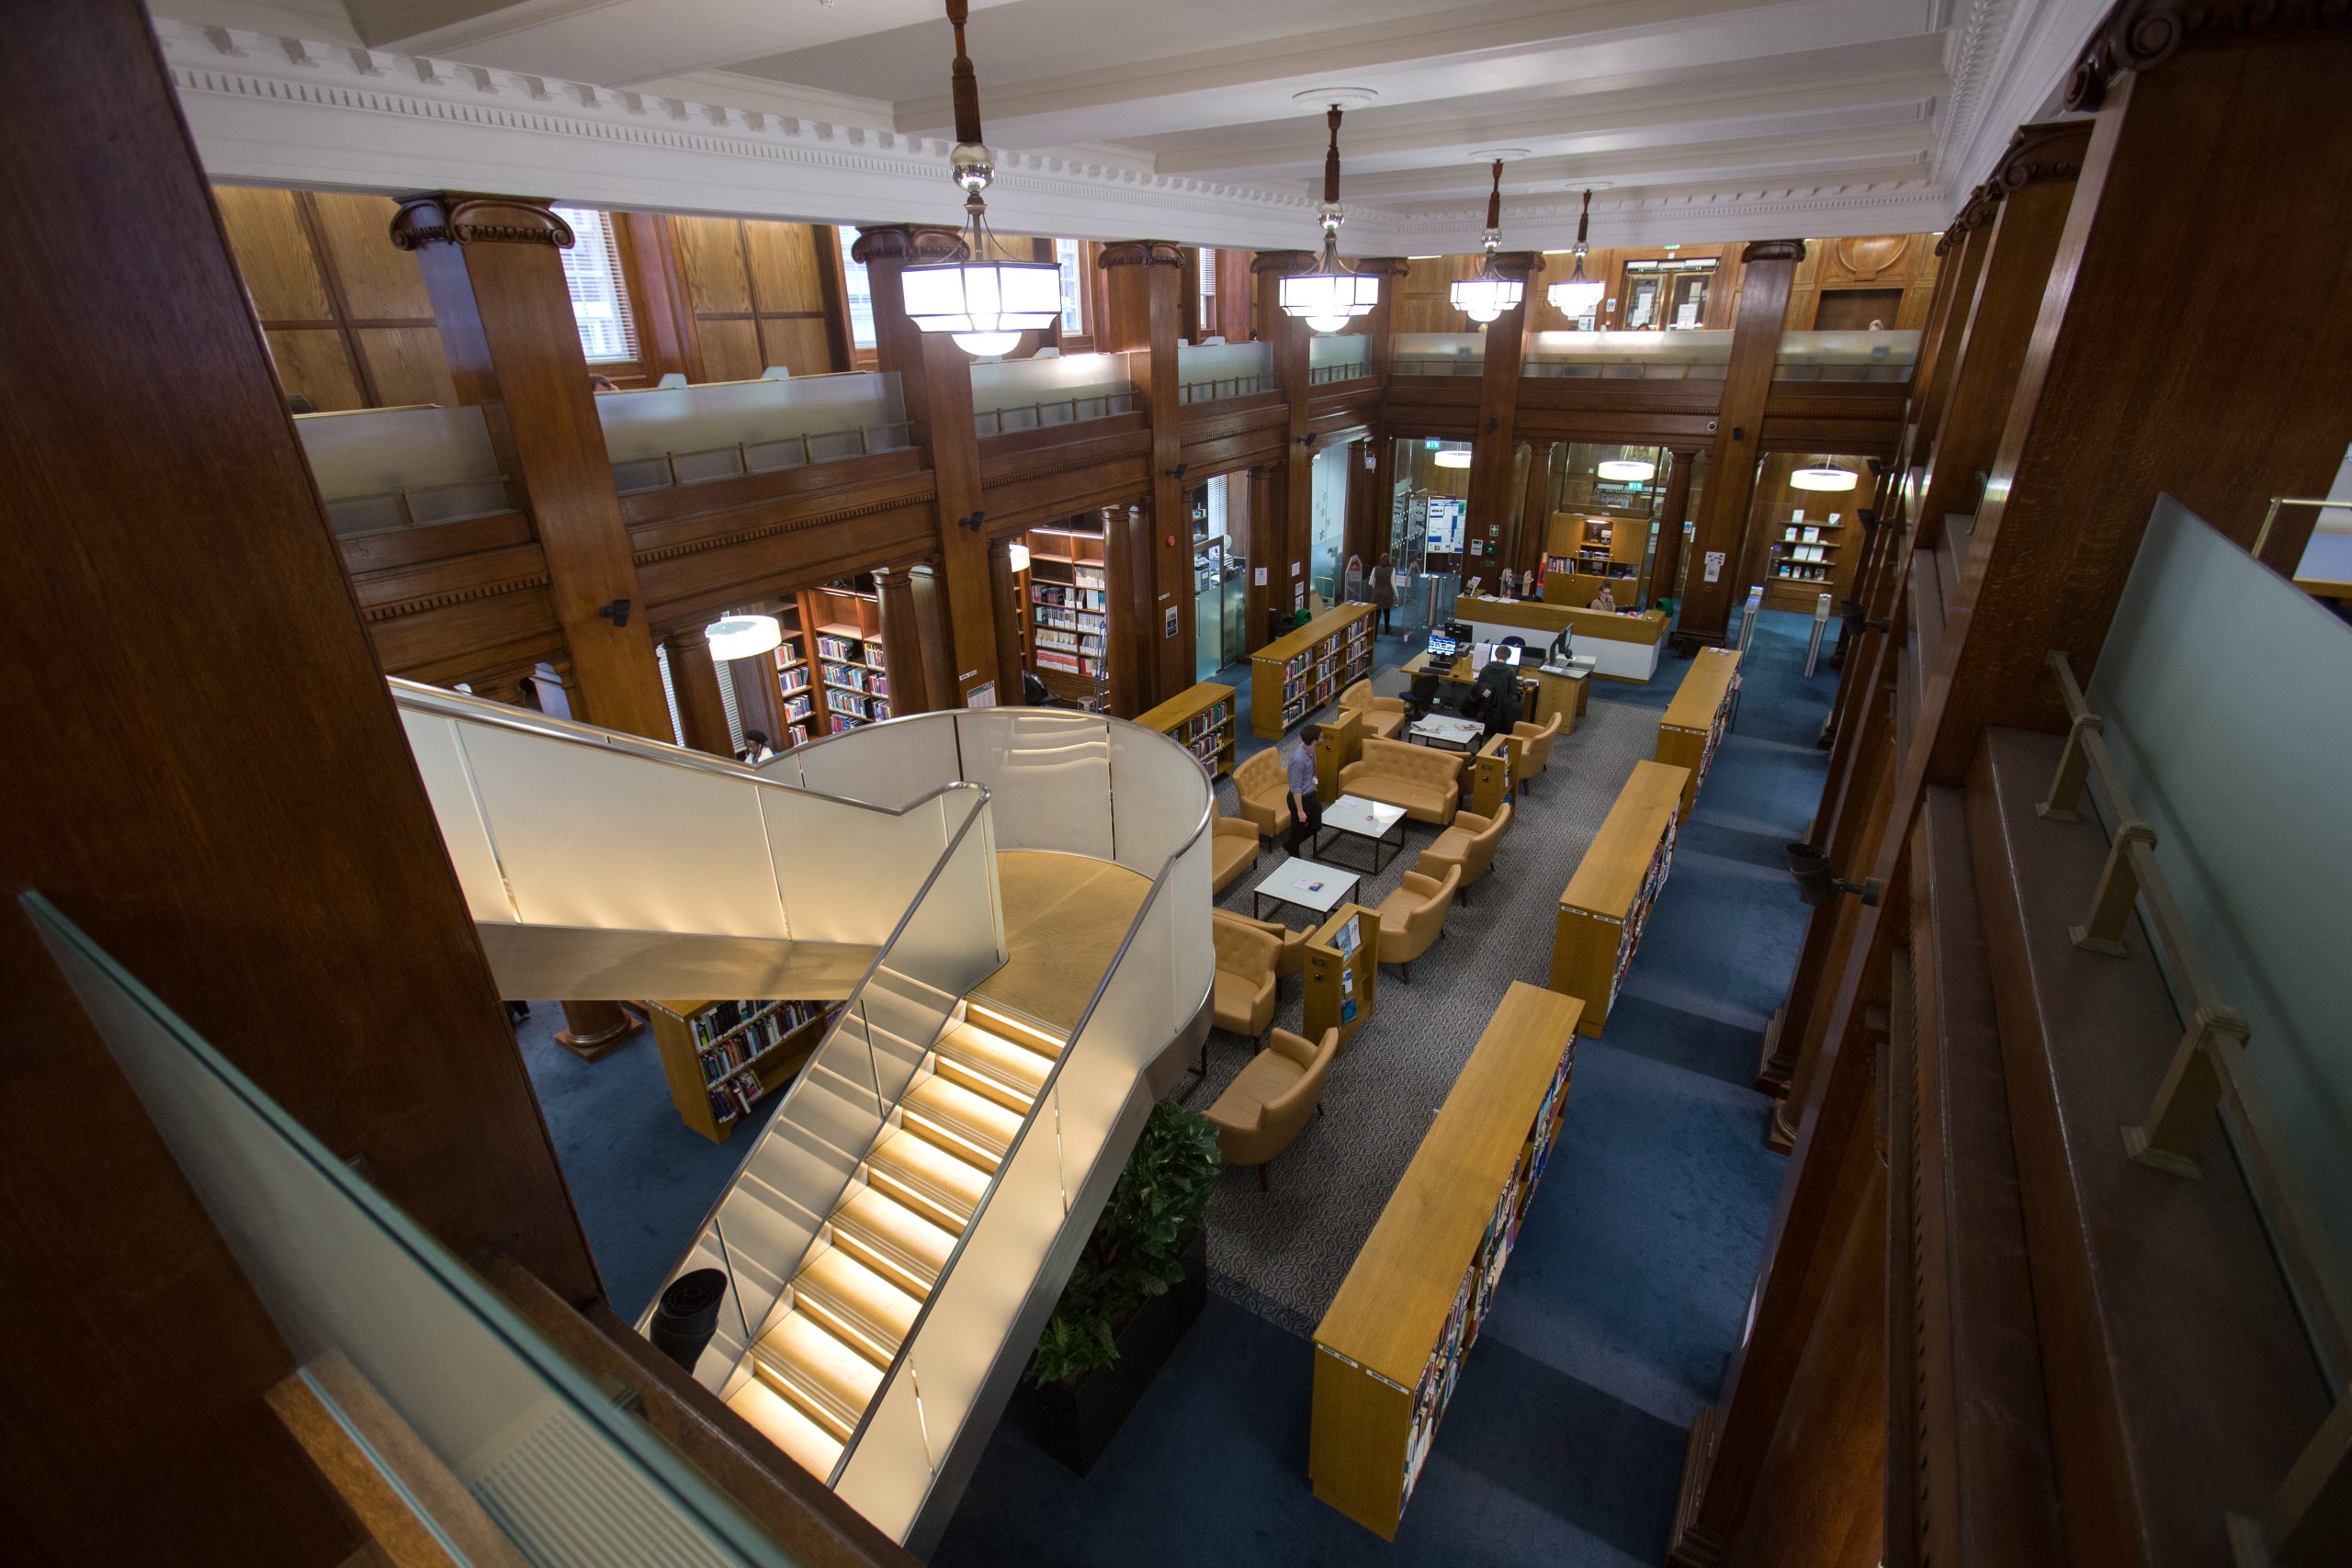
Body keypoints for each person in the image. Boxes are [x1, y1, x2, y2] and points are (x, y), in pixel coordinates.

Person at [1283, 724, 1322, 858]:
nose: (1323, 737)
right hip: (1299, 799)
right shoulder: (1299, 760)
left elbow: (1311, 772)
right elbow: (1295, 787)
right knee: (1296, 830)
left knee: (1316, 824)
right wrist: (1300, 810)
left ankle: (1291, 843)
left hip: (1311, 794)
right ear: (1315, 741)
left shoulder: (1310, 749)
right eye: (1321, 736)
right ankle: (1293, 850)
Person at [1372, 553, 1396, 635]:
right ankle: (1386, 630)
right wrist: (1397, 595)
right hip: (1387, 594)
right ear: (1388, 560)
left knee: (1377, 615)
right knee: (1387, 613)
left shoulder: (1375, 569)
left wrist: (1375, 587)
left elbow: (1370, 582)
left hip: (1377, 594)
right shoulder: (1392, 570)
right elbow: (1393, 583)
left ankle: (1374, 635)